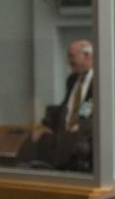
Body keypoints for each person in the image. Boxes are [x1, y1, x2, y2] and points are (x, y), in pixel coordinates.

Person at [34, 39, 94, 171]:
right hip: (64, 134)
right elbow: (65, 106)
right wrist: (46, 126)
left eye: (72, 56)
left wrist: (82, 125)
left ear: (87, 56)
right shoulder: (72, 79)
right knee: (37, 140)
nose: (68, 61)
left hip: (86, 138)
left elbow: (104, 114)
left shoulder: (102, 81)